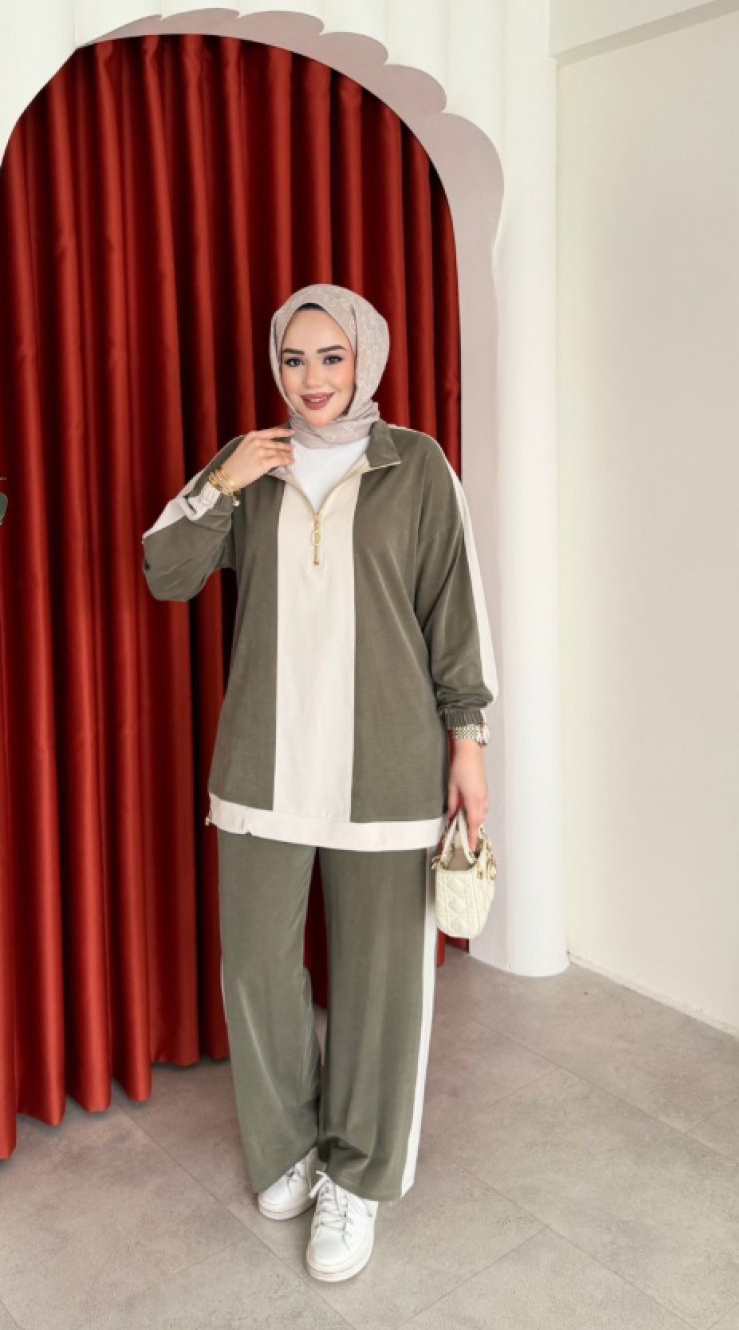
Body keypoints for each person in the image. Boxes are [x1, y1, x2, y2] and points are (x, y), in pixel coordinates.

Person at [141, 282, 498, 1283]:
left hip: (387, 764)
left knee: (381, 980)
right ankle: (289, 1147)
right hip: (263, 761)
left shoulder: (415, 464)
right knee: (256, 966)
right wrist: (220, 481)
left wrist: (467, 740)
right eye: (294, 359)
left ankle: (360, 1176)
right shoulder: (251, 464)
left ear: (365, 358)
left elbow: (453, 608)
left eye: (331, 356)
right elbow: (166, 573)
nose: (311, 379)